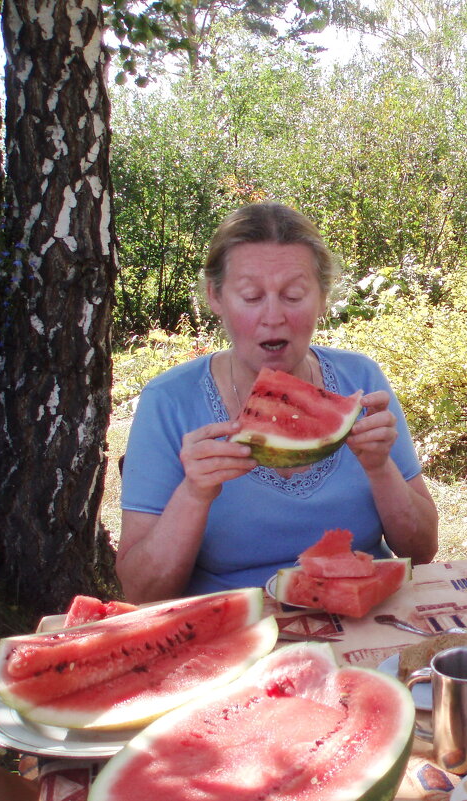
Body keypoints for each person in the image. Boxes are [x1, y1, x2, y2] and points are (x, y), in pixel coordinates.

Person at [117, 202, 438, 602]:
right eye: (251, 297)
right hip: (229, 632)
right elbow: (139, 591)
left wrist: (379, 468)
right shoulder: (168, 401)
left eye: (293, 295)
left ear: (322, 298)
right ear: (216, 297)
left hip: (366, 614)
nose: (273, 316)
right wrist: (194, 495)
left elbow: (422, 551)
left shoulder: (362, 380)